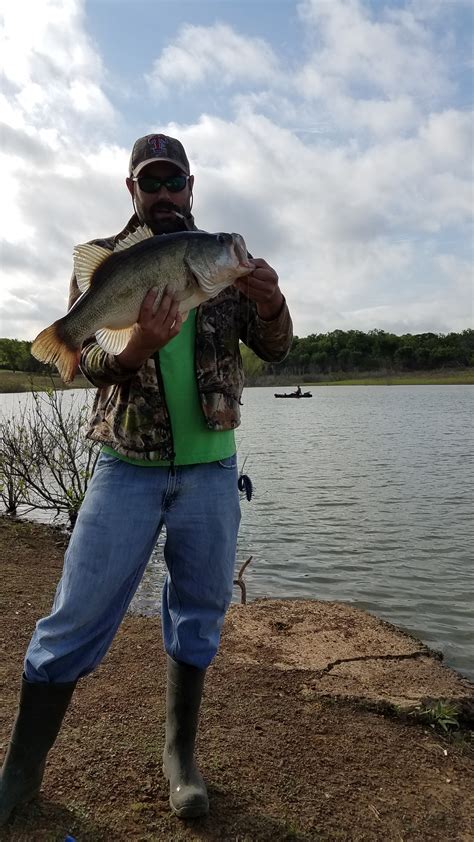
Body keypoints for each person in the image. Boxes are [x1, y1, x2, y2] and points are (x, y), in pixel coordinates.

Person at [0, 133, 293, 824]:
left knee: (198, 614)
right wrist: (136, 347)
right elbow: (92, 367)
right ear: (132, 190)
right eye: (150, 183)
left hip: (211, 473)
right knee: (73, 616)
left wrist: (273, 298)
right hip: (124, 467)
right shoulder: (101, 262)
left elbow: (277, 349)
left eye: (175, 182)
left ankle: (180, 757)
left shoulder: (222, 263)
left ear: (192, 186)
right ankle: (19, 772)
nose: (164, 194)